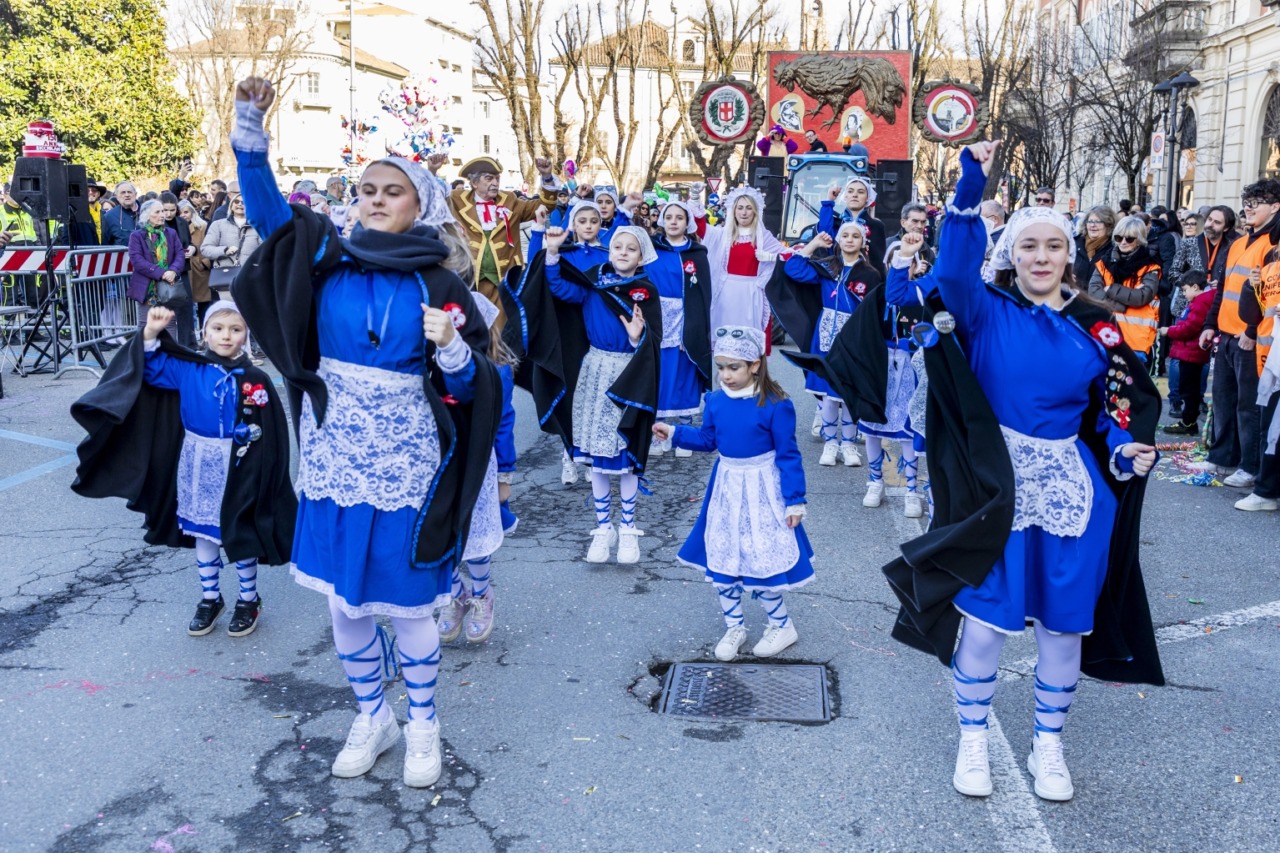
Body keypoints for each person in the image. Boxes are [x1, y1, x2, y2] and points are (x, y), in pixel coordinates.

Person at [228, 76, 503, 789]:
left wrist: (450, 348)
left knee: (409, 607)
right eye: (366, 189)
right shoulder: (328, 261)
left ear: (421, 206)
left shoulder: (441, 286)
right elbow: (272, 222)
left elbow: (475, 391)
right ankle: (370, 712)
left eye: (391, 191)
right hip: (334, 459)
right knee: (342, 602)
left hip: (406, 467)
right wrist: (250, 132)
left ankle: (421, 724)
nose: (373, 198)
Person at [887, 140, 1162, 804]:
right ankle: (973, 739)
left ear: (1071, 254)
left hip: (1072, 496)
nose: (1042, 258)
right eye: (1029, 247)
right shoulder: (985, 310)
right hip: (996, 494)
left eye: (1054, 246)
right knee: (984, 624)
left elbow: (1116, 409)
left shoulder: (1098, 327)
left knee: (1064, 626)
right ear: (1013, 254)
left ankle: (1049, 746)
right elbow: (952, 271)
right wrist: (970, 182)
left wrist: (1127, 449)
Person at [71, 298, 295, 636]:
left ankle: (248, 600)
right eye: (217, 328)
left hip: (239, 464)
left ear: (246, 334)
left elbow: (272, 431)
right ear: (204, 334)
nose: (226, 336)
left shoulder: (256, 378)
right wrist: (150, 332)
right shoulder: (189, 368)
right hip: (197, 462)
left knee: (241, 530)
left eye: (235, 329)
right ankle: (210, 598)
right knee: (204, 533)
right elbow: (146, 368)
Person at [652, 325, 812, 660]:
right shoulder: (715, 400)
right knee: (723, 553)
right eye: (721, 367)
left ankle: (781, 625)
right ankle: (734, 625)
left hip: (763, 488)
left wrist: (795, 500)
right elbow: (709, 441)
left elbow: (788, 455)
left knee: (761, 557)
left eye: (734, 367)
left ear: (755, 364)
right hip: (726, 487)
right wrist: (675, 433)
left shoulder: (776, 404)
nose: (725, 375)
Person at [538, 224, 661, 564]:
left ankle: (628, 529)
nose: (622, 251)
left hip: (628, 375)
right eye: (617, 246)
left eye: (630, 248)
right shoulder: (592, 283)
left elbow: (654, 341)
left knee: (624, 457)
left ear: (641, 257)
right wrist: (550, 253)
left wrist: (638, 337)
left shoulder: (645, 291)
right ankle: (603, 528)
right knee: (597, 458)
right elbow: (560, 288)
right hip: (594, 371)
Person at [437, 298, 518, 643]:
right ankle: (456, 596)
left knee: (475, 533)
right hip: (439, 462)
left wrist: (505, 476)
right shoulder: (433, 365)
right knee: (441, 534)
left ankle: (482, 595)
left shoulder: (495, 370)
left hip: (477, 463)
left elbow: (503, 423)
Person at [1194, 180, 1280, 489]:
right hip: (1227, 335)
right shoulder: (1238, 244)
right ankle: (1222, 456)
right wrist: (1209, 325)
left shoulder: (1272, 244)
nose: (1249, 206)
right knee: (1223, 400)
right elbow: (1223, 291)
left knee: (1248, 406)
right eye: (1248, 200)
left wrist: (1252, 331)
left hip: (1250, 338)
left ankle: (1249, 465)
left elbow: (1269, 295)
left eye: (1258, 201)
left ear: (1275, 206)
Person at [779, 225, 879, 467]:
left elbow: (874, 309)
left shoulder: (870, 274)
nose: (849, 240)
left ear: (863, 242)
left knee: (848, 392)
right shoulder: (828, 266)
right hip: (825, 337)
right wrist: (813, 245)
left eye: (855, 236)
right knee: (828, 394)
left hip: (853, 337)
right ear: (838, 240)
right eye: (845, 235)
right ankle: (830, 442)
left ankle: (848, 444)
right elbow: (793, 269)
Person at [431, 153, 558, 326]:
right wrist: (432, 171)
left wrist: (547, 176)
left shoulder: (510, 200)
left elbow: (545, 205)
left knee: (500, 332)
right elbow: (430, 201)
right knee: (471, 329)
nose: (495, 183)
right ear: (474, 183)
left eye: (497, 178)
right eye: (489, 178)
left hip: (504, 279)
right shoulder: (456, 200)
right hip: (469, 279)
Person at [648, 200, 713, 458]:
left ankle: (683, 434)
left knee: (685, 372)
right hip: (657, 317)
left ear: (688, 223)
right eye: (669, 216)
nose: (674, 221)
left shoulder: (697, 253)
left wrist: (696, 324)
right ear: (662, 220)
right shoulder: (651, 248)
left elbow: (703, 293)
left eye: (679, 217)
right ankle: (658, 433)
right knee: (659, 375)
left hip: (686, 319)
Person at [701, 186, 784, 347]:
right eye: (740, 208)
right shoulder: (723, 234)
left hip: (751, 294)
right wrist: (696, 200)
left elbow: (788, 255)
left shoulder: (762, 236)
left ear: (755, 211)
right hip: (726, 293)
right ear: (733, 210)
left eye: (748, 208)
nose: (744, 212)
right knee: (725, 340)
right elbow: (702, 229)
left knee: (747, 342)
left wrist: (772, 257)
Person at [1087, 215, 1161, 361]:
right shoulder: (1104, 263)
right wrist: (1121, 305)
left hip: (1136, 341)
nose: (1123, 242)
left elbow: (1142, 296)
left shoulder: (1151, 267)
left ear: (1139, 240)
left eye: (1130, 238)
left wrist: (1111, 289)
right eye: (1119, 238)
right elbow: (1093, 292)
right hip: (1106, 334)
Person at [127, 199, 190, 344]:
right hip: (147, 287)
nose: (163, 215)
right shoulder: (137, 236)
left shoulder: (171, 233)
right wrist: (161, 273)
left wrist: (173, 271)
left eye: (163, 211)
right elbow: (137, 260)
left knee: (169, 323)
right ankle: (144, 359)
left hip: (169, 285)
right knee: (146, 324)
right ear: (147, 215)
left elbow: (180, 254)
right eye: (158, 212)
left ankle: (171, 357)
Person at [1160, 271, 1214, 436]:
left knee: (1188, 389)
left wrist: (1169, 331)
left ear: (1195, 287)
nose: (1183, 294)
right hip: (1191, 352)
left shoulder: (1200, 303)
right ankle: (1188, 419)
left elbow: (1188, 328)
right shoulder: (1201, 301)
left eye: (1185, 290)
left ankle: (1189, 421)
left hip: (1191, 353)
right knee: (1190, 388)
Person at [818, 176, 887, 275]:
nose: (854, 195)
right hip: (835, 278)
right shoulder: (836, 223)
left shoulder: (876, 226)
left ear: (867, 198)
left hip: (866, 282)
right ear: (845, 196)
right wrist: (829, 202)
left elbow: (879, 263)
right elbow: (823, 235)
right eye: (850, 191)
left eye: (860, 192)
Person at [200, 193, 262, 296]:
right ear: (231, 205)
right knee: (229, 310)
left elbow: (265, 250)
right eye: (236, 202)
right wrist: (224, 250)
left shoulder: (258, 226)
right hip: (226, 278)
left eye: (244, 202)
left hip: (250, 277)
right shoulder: (218, 224)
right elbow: (205, 249)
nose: (240, 204)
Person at [1073, 206, 1116, 286]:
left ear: (1108, 225)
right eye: (1090, 221)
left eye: (1098, 222)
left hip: (1099, 297)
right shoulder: (1074, 244)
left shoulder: (1113, 249)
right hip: (1074, 296)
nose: (1092, 225)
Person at [100, 181, 141, 246]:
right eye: (123, 193)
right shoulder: (109, 216)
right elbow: (106, 244)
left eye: (129, 192)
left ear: (135, 194)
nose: (127, 195)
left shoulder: (148, 212)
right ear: (117, 197)